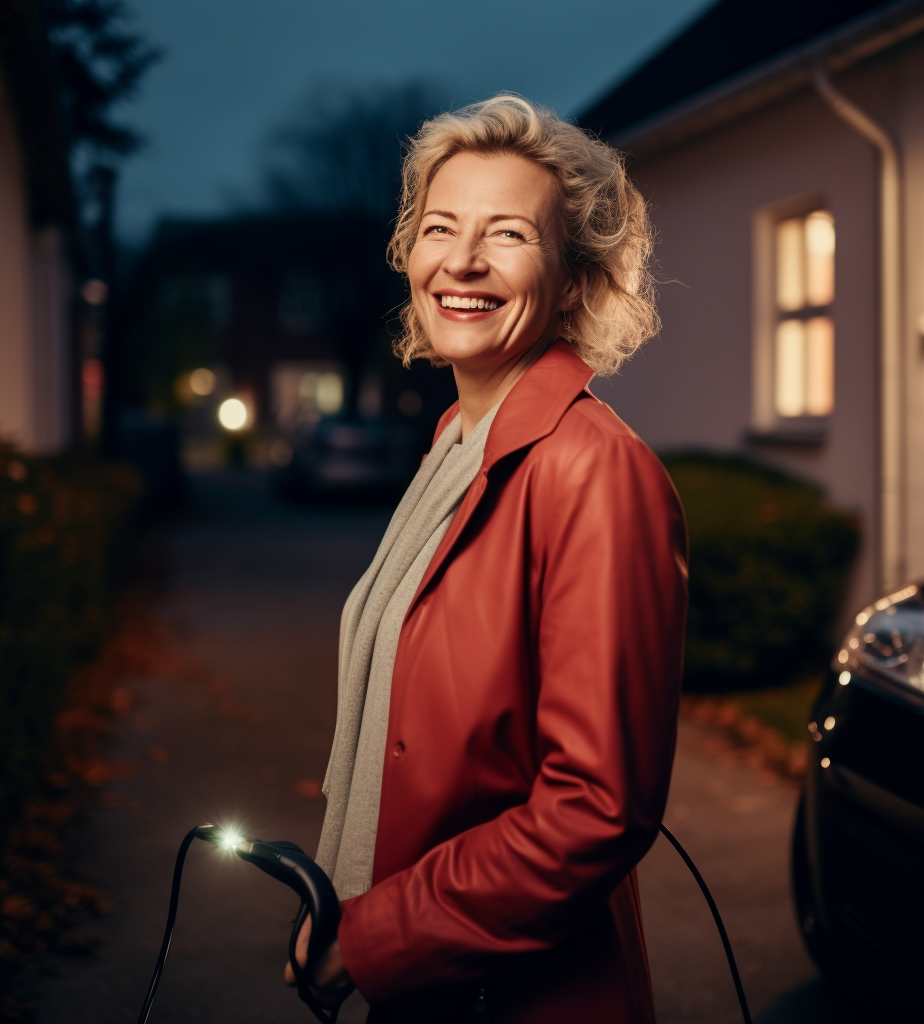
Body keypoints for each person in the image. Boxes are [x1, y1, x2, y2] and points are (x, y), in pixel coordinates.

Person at [286, 94, 688, 1023]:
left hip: (509, 997)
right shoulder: (458, 441)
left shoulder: (595, 473)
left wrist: (376, 937)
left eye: (507, 234)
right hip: (424, 980)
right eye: (439, 228)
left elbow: (596, 810)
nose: (460, 261)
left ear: (577, 282)